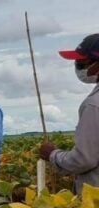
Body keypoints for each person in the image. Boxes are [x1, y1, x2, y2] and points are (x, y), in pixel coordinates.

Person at [39, 33, 99, 195]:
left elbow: (84, 159)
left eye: (82, 62)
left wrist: (52, 155)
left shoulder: (94, 104)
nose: (78, 66)